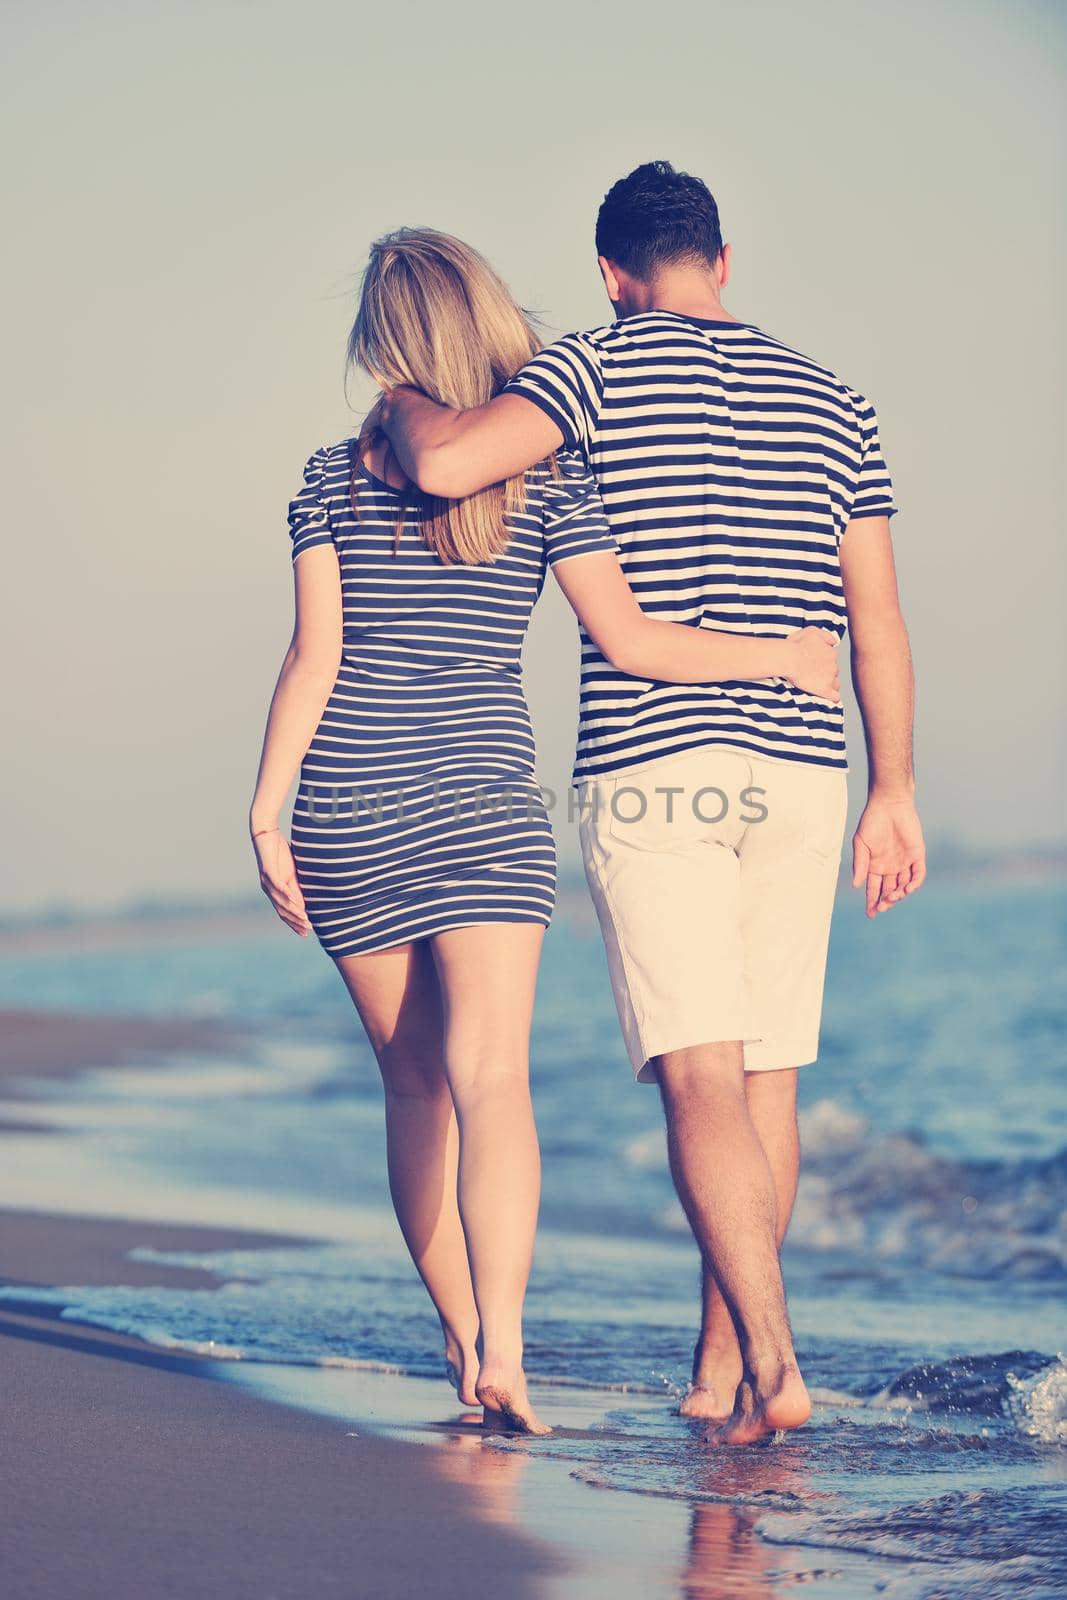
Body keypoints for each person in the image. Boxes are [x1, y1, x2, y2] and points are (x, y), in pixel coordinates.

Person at [248, 227, 841, 1436]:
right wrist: (778, 655)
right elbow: (631, 643)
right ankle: (510, 1351)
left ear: (386, 341)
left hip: (347, 801)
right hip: (480, 801)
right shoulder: (547, 478)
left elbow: (315, 658)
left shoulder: (326, 474)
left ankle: (464, 1341)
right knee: (493, 1077)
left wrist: (267, 810)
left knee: (412, 1083)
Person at [381, 163, 927, 1445]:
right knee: (767, 1083)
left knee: (697, 1081)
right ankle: (715, 1371)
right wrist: (893, 786)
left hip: (655, 764)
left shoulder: (592, 368)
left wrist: (407, 398)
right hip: (805, 766)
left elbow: (451, 463)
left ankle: (775, 1364)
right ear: (722, 263)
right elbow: (877, 616)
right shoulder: (836, 400)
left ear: (613, 277)